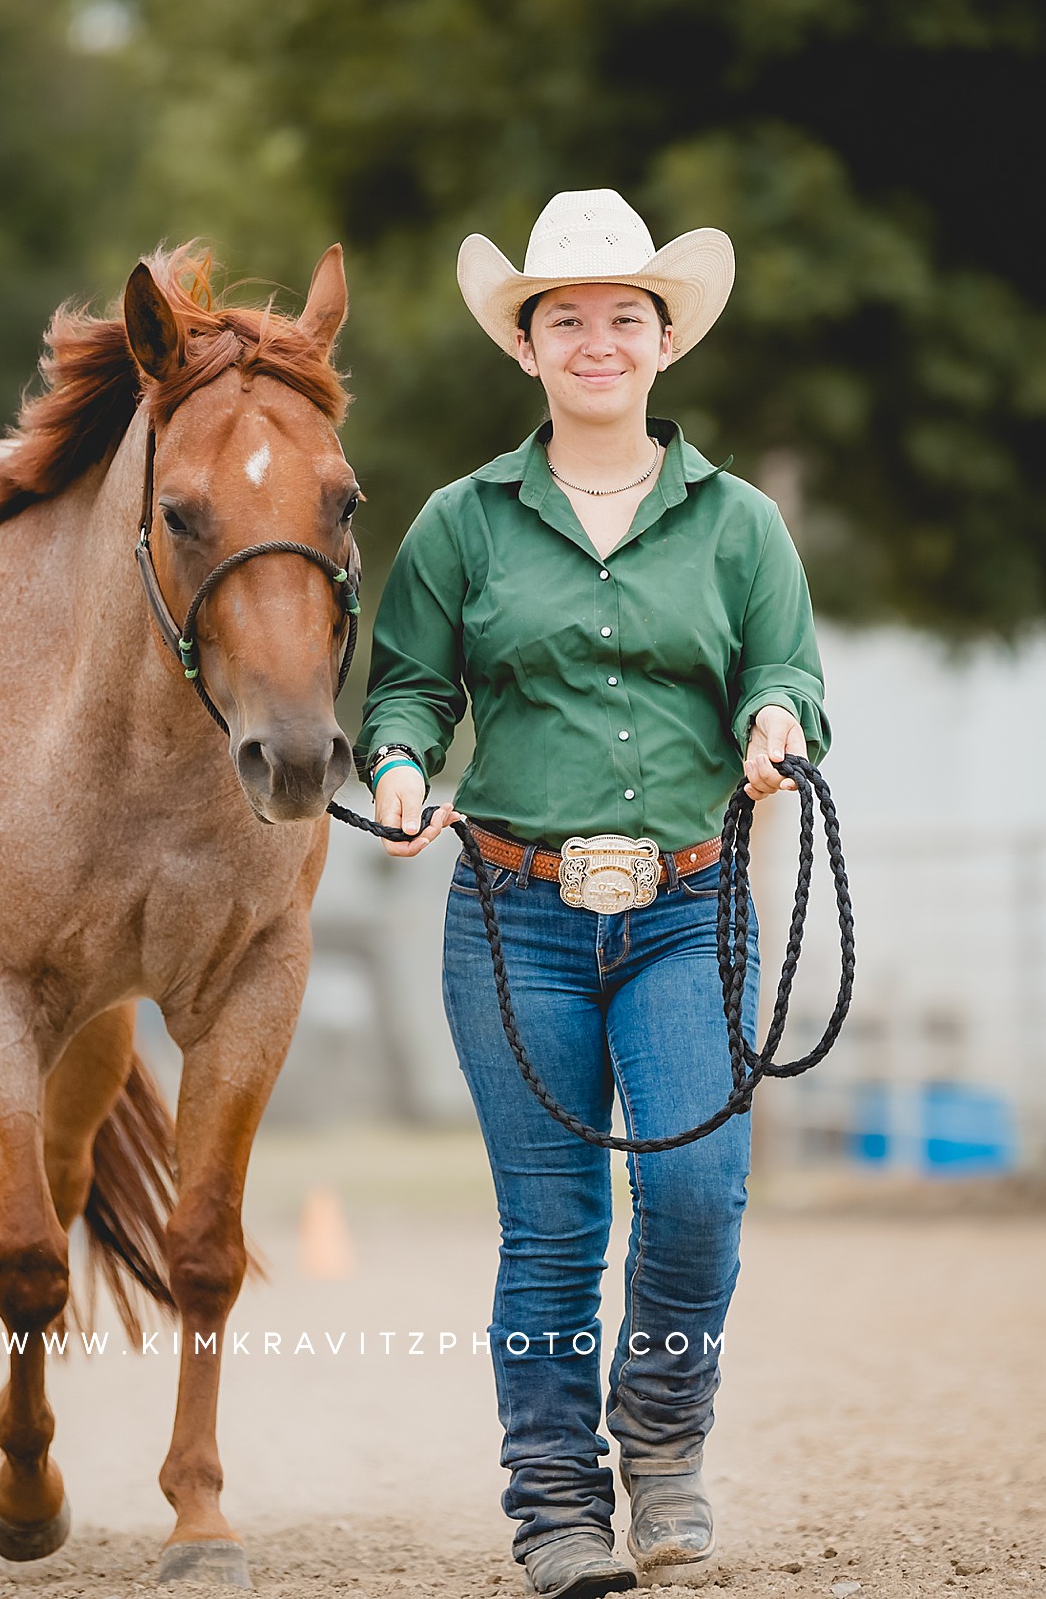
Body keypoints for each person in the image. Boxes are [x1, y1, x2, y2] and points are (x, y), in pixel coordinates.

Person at [355, 191, 829, 1597]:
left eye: (626, 315)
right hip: (514, 917)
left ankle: (664, 1442)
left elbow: (786, 670)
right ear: (528, 345)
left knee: (694, 1193)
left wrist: (776, 725)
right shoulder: (460, 523)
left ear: (663, 339)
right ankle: (554, 1502)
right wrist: (393, 764)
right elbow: (405, 686)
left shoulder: (740, 525)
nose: (597, 338)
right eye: (567, 317)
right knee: (551, 1224)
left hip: (692, 903)